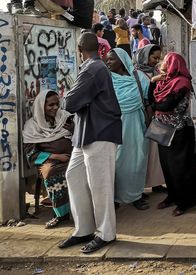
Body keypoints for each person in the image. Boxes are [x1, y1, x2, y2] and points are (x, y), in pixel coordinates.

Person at [58, 33, 122, 254]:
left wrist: (67, 95)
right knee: (73, 176)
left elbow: (70, 102)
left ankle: (106, 233)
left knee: (100, 187)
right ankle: (83, 229)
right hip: (86, 133)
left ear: (79, 48)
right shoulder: (94, 67)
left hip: (100, 133)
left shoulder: (93, 69)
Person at [151, 52, 196, 216]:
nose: (162, 62)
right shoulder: (164, 82)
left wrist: (152, 106)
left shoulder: (182, 83)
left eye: (166, 60)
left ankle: (185, 202)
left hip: (179, 131)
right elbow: (152, 97)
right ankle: (172, 196)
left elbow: (168, 105)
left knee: (180, 167)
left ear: (174, 63)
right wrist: (153, 81)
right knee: (167, 166)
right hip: (162, 128)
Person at [105, 49, 150, 210]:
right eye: (107, 59)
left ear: (122, 61)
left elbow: (148, 98)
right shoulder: (107, 79)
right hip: (115, 126)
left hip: (137, 125)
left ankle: (136, 195)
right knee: (116, 162)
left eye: (111, 60)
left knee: (137, 161)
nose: (108, 62)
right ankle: (115, 198)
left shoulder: (139, 77)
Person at [22, 90, 74, 229]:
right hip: (50, 161)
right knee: (51, 172)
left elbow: (80, 135)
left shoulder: (65, 117)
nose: (55, 108)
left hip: (72, 157)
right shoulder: (32, 126)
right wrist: (56, 156)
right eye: (50, 105)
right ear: (41, 106)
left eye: (57, 104)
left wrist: (74, 129)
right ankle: (61, 214)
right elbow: (30, 152)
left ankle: (82, 210)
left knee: (85, 169)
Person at [133, 44, 166, 193]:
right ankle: (139, 186)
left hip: (155, 116)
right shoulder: (136, 74)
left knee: (155, 152)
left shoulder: (155, 72)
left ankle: (156, 183)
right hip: (143, 116)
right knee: (142, 152)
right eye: (153, 57)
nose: (155, 60)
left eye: (158, 58)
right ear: (145, 56)